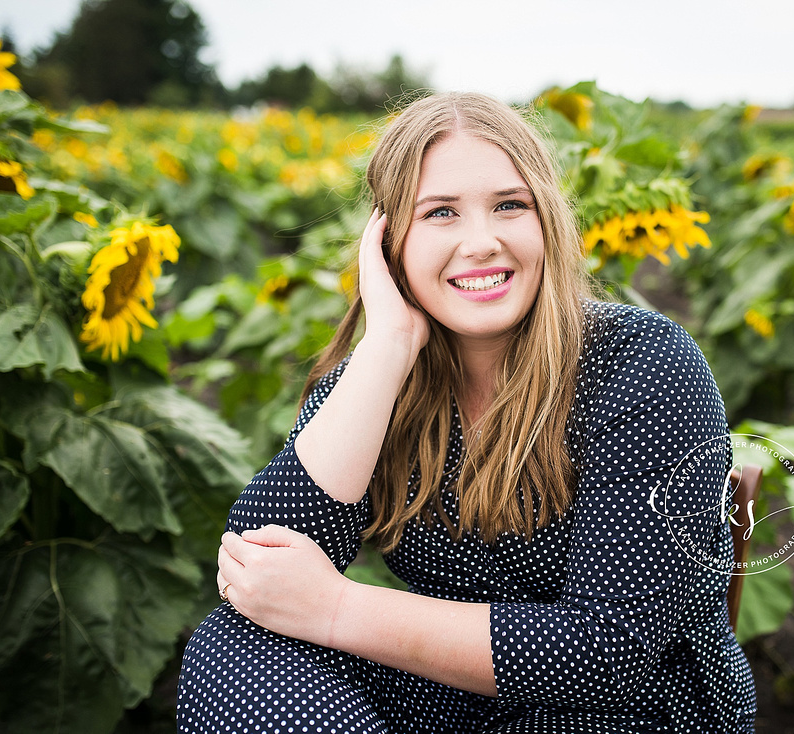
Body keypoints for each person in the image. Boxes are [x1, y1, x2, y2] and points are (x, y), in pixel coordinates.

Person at [178, 91, 757, 733]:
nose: (481, 242)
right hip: (459, 695)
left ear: (548, 223)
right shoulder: (379, 377)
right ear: (389, 240)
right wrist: (390, 343)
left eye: (510, 205)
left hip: (633, 710)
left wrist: (336, 608)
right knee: (232, 646)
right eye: (440, 214)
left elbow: (607, 647)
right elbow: (259, 564)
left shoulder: (642, 362)